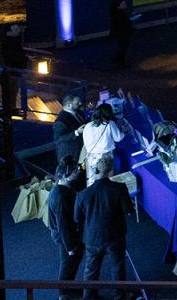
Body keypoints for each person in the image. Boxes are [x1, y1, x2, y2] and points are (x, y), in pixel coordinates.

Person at [74, 155, 134, 298]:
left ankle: (89, 296)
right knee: (117, 266)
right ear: (110, 170)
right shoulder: (119, 188)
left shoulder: (82, 194)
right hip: (115, 236)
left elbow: (77, 218)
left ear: (95, 170)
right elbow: (128, 211)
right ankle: (119, 296)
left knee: (91, 270)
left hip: (92, 237)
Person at [47, 160, 85, 299]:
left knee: (73, 261)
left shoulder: (62, 187)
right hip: (65, 236)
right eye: (75, 171)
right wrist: (70, 246)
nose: (79, 171)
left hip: (66, 233)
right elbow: (63, 224)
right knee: (68, 263)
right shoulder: (61, 197)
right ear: (66, 175)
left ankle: (69, 289)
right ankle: (64, 294)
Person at [77, 103, 124, 172]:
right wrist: (123, 132)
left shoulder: (88, 125)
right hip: (106, 157)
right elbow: (118, 138)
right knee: (110, 176)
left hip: (91, 158)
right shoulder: (109, 123)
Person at [54, 93, 86, 165]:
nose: (80, 103)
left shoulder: (79, 112)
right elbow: (58, 139)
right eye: (77, 103)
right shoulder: (61, 120)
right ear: (69, 105)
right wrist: (76, 132)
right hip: (70, 155)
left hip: (81, 150)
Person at [108, 0, 132, 67]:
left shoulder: (117, 14)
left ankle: (120, 61)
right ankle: (119, 61)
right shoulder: (120, 15)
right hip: (122, 33)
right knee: (123, 47)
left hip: (121, 33)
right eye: (123, 4)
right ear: (118, 7)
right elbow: (123, 24)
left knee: (122, 47)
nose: (125, 5)